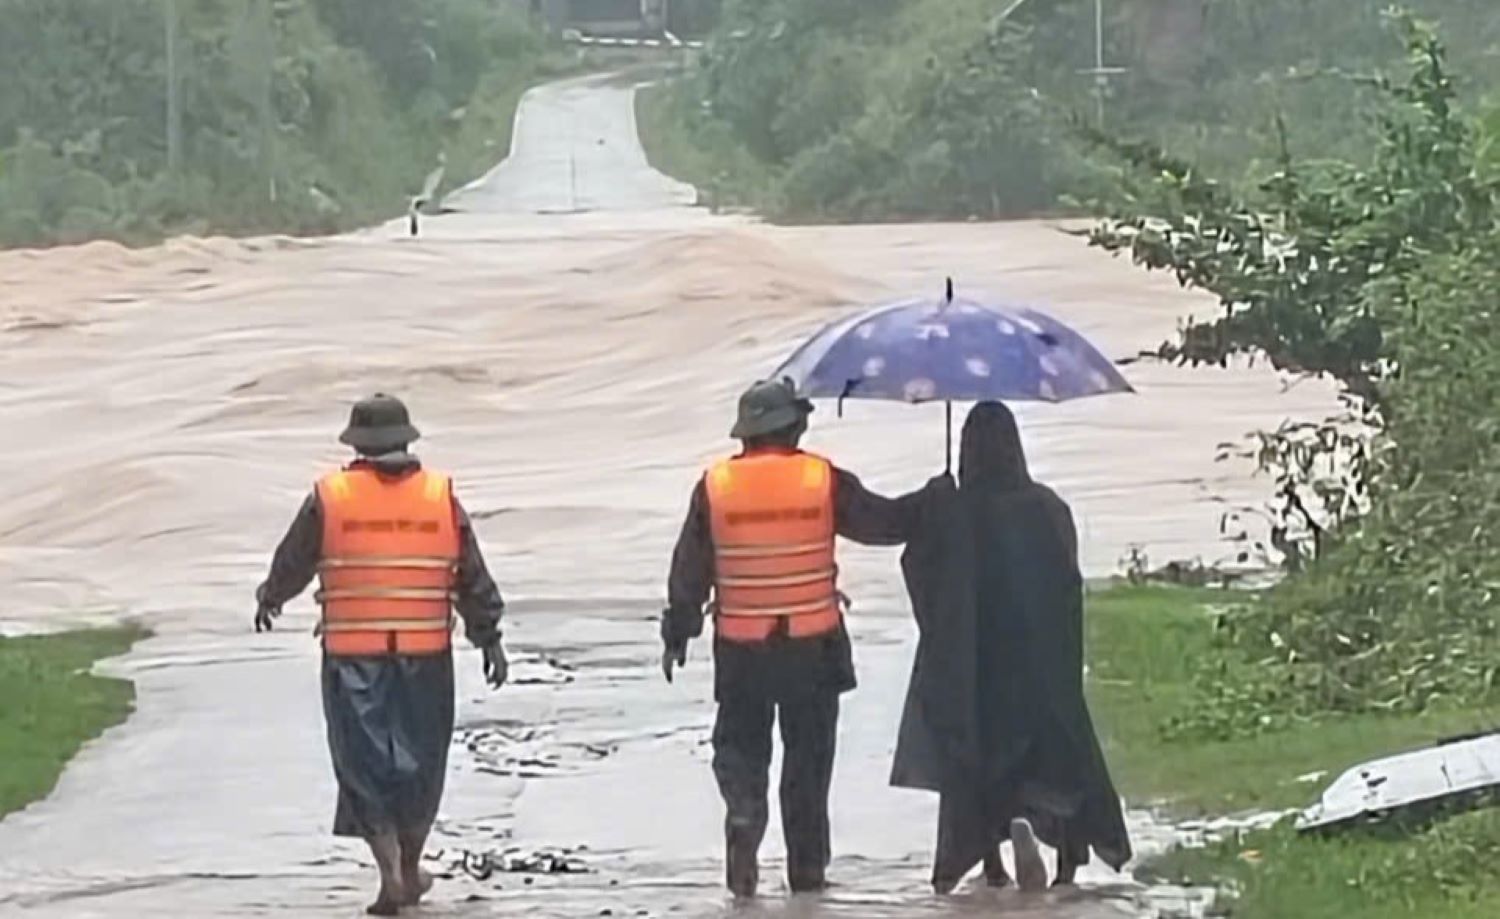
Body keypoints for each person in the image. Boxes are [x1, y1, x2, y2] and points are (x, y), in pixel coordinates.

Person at [663, 378, 942, 899]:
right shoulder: (822, 479)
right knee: (808, 770)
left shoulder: (715, 486)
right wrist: (934, 497)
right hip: (812, 651)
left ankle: (745, 829)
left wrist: (678, 632)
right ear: (792, 426)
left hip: (742, 652)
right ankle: (808, 883)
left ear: (746, 433)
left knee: (743, 755)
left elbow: (689, 572)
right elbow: (885, 523)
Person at [254, 393, 509, 916]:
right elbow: (471, 577)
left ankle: (391, 872)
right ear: (406, 441)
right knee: (421, 763)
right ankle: (411, 866)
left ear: (357, 446)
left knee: (362, 763)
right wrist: (490, 639)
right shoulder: (440, 497)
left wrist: (271, 597)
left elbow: (294, 560)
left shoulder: (331, 496)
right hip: (425, 656)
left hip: (353, 656)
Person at [891, 401, 1132, 893]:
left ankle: (994, 862)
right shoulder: (1049, 507)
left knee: (977, 758)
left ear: (966, 451)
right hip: (1042, 663)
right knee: (1060, 756)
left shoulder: (956, 512)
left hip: (979, 665)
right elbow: (1068, 583)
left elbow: (922, 574)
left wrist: (937, 503)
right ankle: (1064, 866)